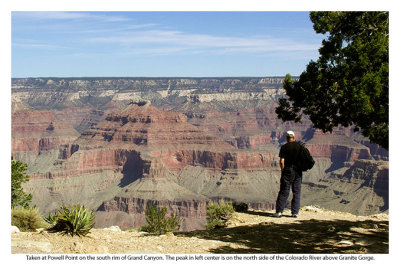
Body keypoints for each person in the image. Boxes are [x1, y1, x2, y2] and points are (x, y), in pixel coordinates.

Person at [275, 130, 302, 218]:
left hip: (288, 170)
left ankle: (279, 212)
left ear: (287, 137)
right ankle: (295, 213)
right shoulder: (300, 146)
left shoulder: (284, 147)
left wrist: (283, 170)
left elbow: (282, 161)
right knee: (296, 192)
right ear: (294, 137)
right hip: (298, 171)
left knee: (284, 191)